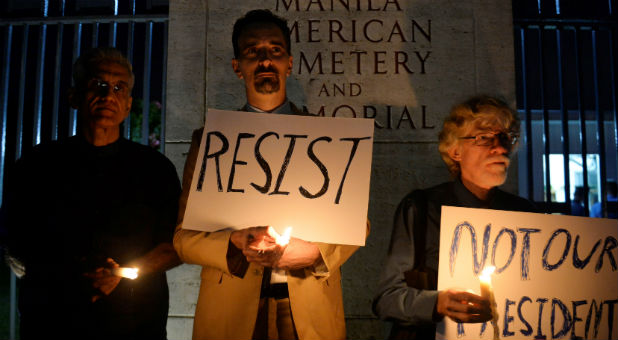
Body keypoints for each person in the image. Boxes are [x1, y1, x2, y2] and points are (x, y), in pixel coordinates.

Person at [173, 9, 364, 340]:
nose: (265, 60)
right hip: (231, 311)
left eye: (275, 50)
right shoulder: (209, 141)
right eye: (252, 51)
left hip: (308, 309)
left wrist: (316, 252)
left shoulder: (328, 138)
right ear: (237, 67)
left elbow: (357, 223)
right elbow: (183, 239)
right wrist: (233, 242)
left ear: (289, 63)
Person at [0, 47, 181, 339]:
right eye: (97, 85)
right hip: (52, 319)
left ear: (128, 104)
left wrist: (118, 275)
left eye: (119, 87)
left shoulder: (155, 169)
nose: (108, 95)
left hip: (136, 322)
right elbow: (15, 239)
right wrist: (74, 274)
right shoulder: (37, 165)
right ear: (73, 96)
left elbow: (176, 244)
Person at [373, 95, 536, 339]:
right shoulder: (421, 208)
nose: (501, 148)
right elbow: (385, 299)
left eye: (506, 138)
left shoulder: (526, 215)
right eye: (483, 137)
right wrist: (437, 303)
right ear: (455, 150)